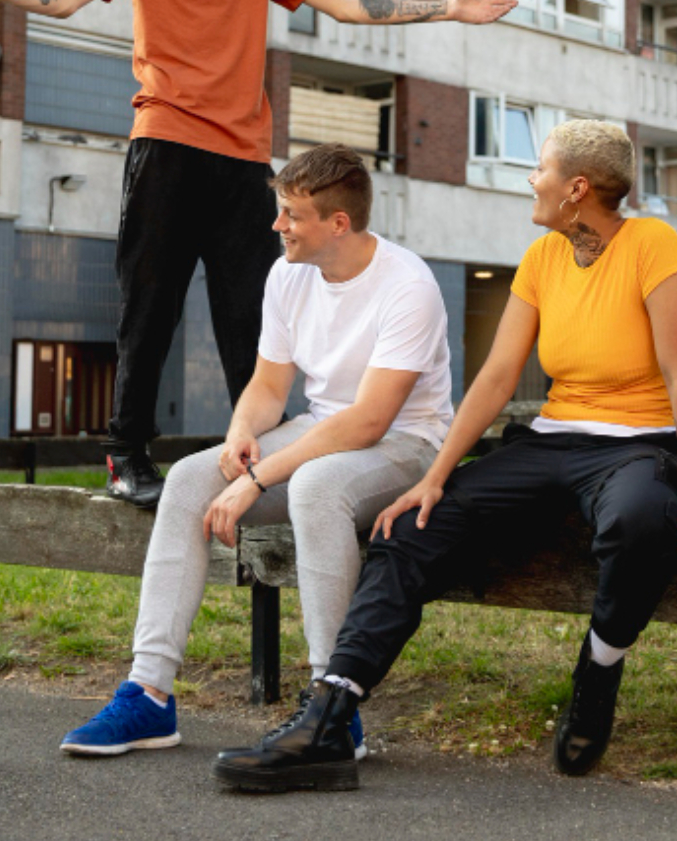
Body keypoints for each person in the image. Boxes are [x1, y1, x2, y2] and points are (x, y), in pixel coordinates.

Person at [0, 0, 514, 509]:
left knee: (253, 319)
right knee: (151, 308)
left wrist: (446, 9)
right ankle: (125, 453)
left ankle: (262, 460)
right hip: (166, 147)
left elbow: (345, 4)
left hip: (242, 162)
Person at [212, 120, 677, 793]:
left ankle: (599, 670)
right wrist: (434, 479)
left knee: (641, 521)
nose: (532, 179)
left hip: (637, 447)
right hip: (552, 439)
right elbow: (494, 380)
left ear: (577, 188)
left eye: (542, 169)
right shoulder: (543, 258)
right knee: (410, 529)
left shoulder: (655, 246)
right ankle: (330, 715)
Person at [59, 144, 455, 758]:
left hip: (406, 444)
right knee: (190, 479)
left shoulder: (408, 285)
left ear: (338, 223)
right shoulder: (288, 274)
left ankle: (333, 707)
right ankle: (148, 695)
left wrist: (258, 478)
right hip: (322, 429)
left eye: (292, 214)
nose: (277, 225)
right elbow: (270, 387)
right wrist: (243, 430)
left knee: (316, 486)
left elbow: (370, 420)